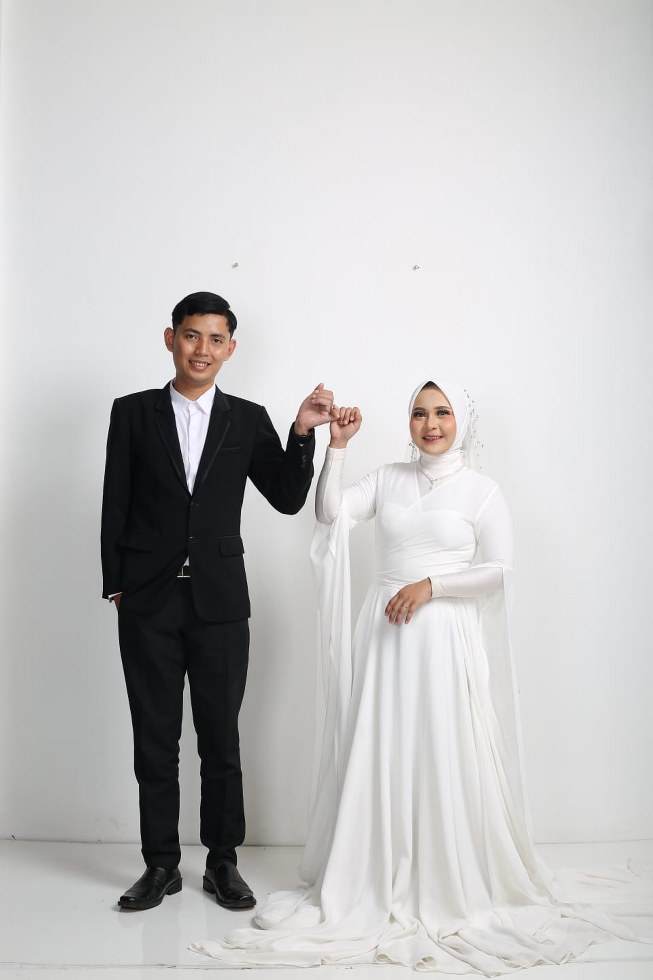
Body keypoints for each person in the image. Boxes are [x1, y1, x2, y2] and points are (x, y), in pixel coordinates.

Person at [192, 379, 653, 971]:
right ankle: (378, 870)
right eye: (419, 413)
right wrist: (337, 448)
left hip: (442, 640)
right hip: (385, 638)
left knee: (442, 748)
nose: (430, 424)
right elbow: (331, 513)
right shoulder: (388, 478)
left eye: (441, 413)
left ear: (461, 421)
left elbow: (500, 571)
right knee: (384, 748)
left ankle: (445, 875)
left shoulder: (482, 492)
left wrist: (432, 586)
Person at [101, 291, 334, 912]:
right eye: (191, 335)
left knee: (220, 740)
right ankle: (160, 864)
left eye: (215, 339)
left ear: (230, 348)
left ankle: (222, 862)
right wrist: (115, 584)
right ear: (170, 338)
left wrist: (302, 432)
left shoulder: (247, 419)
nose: (201, 349)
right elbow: (115, 499)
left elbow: (286, 497)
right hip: (147, 602)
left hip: (221, 603)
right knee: (154, 739)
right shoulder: (132, 413)